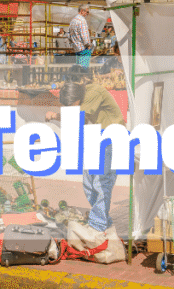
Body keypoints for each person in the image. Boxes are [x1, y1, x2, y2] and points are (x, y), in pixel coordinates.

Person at [45, 74, 124, 233]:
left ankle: (97, 225)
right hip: (97, 139)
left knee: (101, 184)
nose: (70, 108)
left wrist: (54, 116)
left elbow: (76, 118)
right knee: (88, 184)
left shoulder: (93, 92)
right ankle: (103, 220)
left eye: (71, 104)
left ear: (77, 97)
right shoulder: (82, 97)